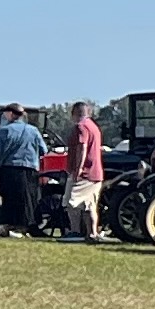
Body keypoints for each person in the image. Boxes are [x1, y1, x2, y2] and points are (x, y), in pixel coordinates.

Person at [0, 104, 47, 236]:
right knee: (28, 199)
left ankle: (10, 226)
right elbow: (44, 150)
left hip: (9, 169)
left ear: (10, 114)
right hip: (30, 169)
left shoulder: (1, 131)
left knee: (10, 200)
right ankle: (27, 226)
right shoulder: (33, 131)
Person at [65, 103, 105, 240]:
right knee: (90, 204)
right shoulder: (94, 127)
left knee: (71, 202)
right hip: (96, 173)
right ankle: (92, 233)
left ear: (75, 112)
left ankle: (75, 231)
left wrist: (78, 169)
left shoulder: (81, 127)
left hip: (85, 174)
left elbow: (82, 147)